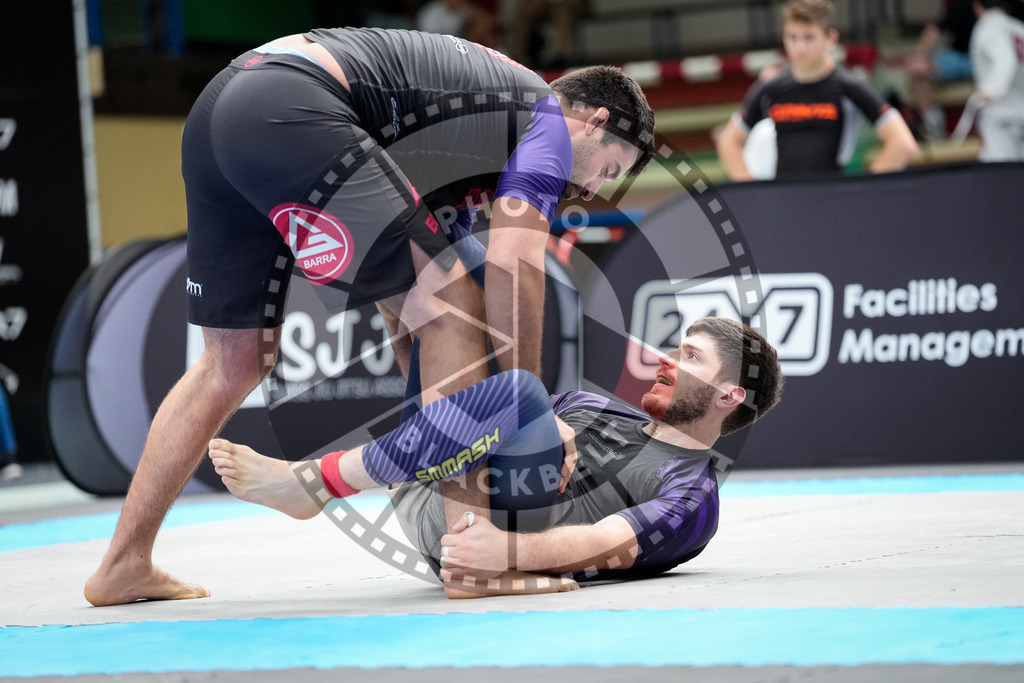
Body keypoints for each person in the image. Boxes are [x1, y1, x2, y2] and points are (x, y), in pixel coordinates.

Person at [84, 27, 655, 607]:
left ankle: (123, 564)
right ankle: (472, 554)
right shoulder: (547, 119)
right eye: (609, 170)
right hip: (291, 101)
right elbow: (516, 265)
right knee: (458, 304)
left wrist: (445, 427)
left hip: (223, 111)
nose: (590, 188)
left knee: (230, 362)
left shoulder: (460, 145)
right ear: (595, 121)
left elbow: (405, 303)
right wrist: (527, 401)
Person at [208, 317, 784, 598]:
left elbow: (612, 542)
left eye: (689, 356)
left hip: (481, 539)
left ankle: (316, 485)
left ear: (728, 395)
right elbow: (482, 403)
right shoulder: (591, 405)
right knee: (429, 318)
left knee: (517, 388)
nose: (664, 359)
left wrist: (506, 551)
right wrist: (550, 417)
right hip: (430, 490)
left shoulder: (692, 493)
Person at [716, 0, 918, 181]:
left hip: (831, 200)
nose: (800, 47)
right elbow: (729, 142)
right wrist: (753, 195)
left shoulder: (850, 87)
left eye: (809, 38)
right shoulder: (771, 87)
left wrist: (863, 190)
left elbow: (902, 143)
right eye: (792, 37)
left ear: (831, 38)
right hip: (783, 201)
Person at [906, 0, 977, 139]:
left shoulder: (1010, 7)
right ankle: (933, 124)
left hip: (991, 61)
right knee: (916, 69)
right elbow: (934, 29)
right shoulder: (963, 5)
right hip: (960, 58)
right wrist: (921, 56)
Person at [969, 0, 1024, 161]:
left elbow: (1006, 60)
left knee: (999, 178)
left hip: (1001, 117)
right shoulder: (1017, 27)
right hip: (1020, 113)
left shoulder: (988, 26)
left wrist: (990, 91)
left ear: (977, 6)